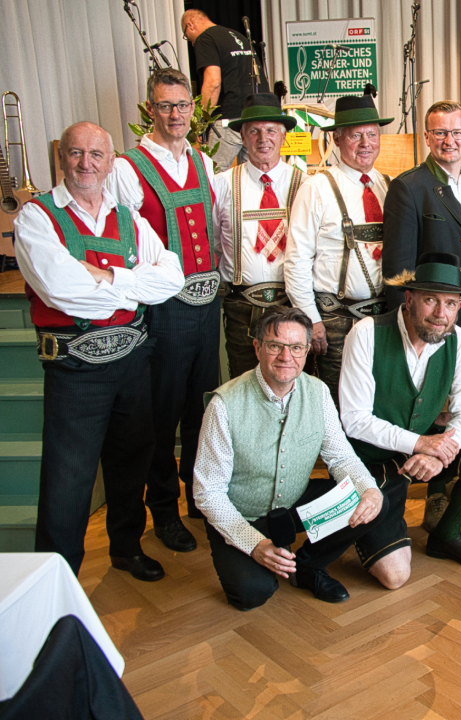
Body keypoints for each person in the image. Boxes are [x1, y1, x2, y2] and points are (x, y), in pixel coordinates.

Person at [14, 122, 184, 579]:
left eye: (95, 154)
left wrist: (105, 277)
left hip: (132, 361)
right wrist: (133, 286)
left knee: (131, 461)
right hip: (75, 369)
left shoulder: (128, 217)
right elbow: (62, 291)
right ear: (61, 159)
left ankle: (126, 549)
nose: (85, 163)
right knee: (68, 480)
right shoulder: (37, 217)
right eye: (75, 153)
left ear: (110, 163)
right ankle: (57, 579)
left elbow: (171, 277)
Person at [193, 308, 386, 609]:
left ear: (307, 351)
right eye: (275, 346)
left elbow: (340, 457)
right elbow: (208, 493)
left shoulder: (318, 392)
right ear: (257, 348)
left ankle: (307, 565)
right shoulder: (224, 404)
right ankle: (263, 551)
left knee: (370, 500)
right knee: (251, 594)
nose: (286, 357)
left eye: (296, 347)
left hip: (293, 504)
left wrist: (369, 490)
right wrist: (254, 544)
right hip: (243, 514)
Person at [339, 253, 461, 582]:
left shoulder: (458, 340)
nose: (440, 314)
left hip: (425, 448)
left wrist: (439, 451)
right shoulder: (366, 333)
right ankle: (369, 523)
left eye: (451, 303)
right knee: (394, 576)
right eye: (431, 300)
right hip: (372, 463)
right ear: (409, 299)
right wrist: (420, 444)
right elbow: (355, 419)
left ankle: (446, 535)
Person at [111, 68, 220, 551]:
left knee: (202, 407)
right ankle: (163, 508)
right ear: (150, 110)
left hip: (208, 302)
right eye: (165, 105)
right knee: (162, 413)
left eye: (182, 105)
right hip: (163, 308)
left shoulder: (202, 160)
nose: (175, 114)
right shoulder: (128, 167)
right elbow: (124, 240)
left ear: (192, 109)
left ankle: (199, 495)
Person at [381, 100, 461, 521]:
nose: (450, 140)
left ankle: (455, 480)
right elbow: (398, 268)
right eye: (440, 132)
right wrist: (406, 325)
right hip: (430, 317)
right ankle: (433, 492)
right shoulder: (409, 186)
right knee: (435, 405)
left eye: (457, 132)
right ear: (427, 137)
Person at [285, 94, 393, 407]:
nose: (366, 143)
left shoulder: (387, 185)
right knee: (336, 404)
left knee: (379, 400)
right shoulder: (316, 188)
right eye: (356, 135)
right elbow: (296, 261)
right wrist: (312, 320)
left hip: (382, 318)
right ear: (336, 139)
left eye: (372, 134)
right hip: (335, 321)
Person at [212, 93, 306, 378]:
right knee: (243, 382)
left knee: (289, 381)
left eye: (271, 130)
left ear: (284, 136)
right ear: (242, 136)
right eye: (254, 131)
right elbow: (214, 244)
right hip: (241, 307)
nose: (263, 138)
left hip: (292, 306)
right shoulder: (222, 184)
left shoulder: (306, 185)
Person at [181, 9, 269, 169]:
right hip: (256, 115)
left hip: (230, 118)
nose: (192, 43)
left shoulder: (205, 38)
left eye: (187, 37)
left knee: (213, 172)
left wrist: (201, 121)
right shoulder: (237, 36)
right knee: (253, 175)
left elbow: (213, 82)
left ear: (190, 25)